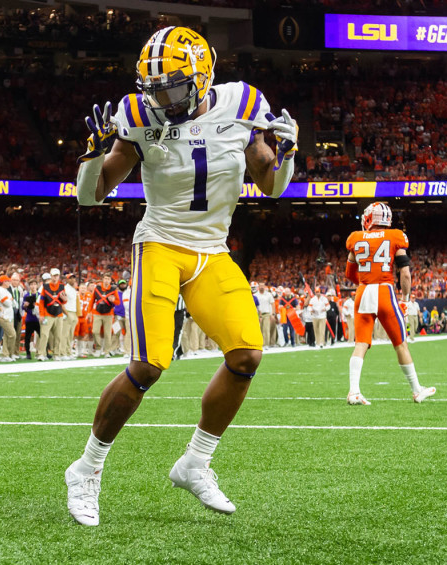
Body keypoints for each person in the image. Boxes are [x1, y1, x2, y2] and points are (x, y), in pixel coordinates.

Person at [66, 26, 299, 525]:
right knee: (149, 365)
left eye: (172, 87)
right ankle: (86, 468)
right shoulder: (136, 114)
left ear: (203, 76)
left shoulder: (242, 103)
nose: (161, 99)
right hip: (160, 244)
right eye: (153, 88)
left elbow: (272, 185)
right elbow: (92, 195)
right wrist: (90, 158)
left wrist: (288, 154)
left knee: (247, 354)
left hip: (211, 250)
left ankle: (196, 462)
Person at [344, 202, 435, 406]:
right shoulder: (395, 236)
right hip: (384, 291)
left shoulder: (355, 238)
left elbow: (349, 273)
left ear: (370, 218)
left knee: (361, 344)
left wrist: (365, 281)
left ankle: (354, 391)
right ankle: (416, 390)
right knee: (400, 343)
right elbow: (405, 272)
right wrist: (404, 299)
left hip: (363, 292)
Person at [37, 270, 66, 361]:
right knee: (44, 334)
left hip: (58, 313)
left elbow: (64, 301)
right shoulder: (45, 287)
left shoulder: (62, 287)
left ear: (59, 276)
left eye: (57, 276)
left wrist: (64, 299)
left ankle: (56, 354)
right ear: (51, 276)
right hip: (47, 313)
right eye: (53, 276)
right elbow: (41, 302)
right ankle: (42, 353)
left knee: (58, 335)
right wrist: (41, 314)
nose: (55, 278)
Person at [90, 274, 120, 357]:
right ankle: (98, 348)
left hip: (108, 313)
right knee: (95, 331)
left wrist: (113, 300)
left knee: (107, 333)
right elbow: (92, 300)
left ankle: (107, 351)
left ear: (110, 281)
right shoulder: (97, 288)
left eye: (108, 279)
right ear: (102, 280)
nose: (107, 280)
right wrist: (89, 312)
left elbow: (118, 302)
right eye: (105, 279)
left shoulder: (113, 289)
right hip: (97, 313)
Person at [255, 283, 276, 348]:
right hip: (258, 314)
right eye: (260, 286)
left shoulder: (268, 294)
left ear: (265, 287)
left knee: (266, 329)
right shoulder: (255, 295)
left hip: (266, 313)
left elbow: (272, 304)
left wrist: (273, 314)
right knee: (259, 329)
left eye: (262, 286)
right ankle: (260, 344)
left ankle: (266, 344)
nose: (261, 287)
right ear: (258, 287)